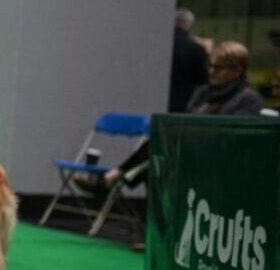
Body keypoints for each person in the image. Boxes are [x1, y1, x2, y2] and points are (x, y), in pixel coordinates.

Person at [78, 41, 265, 192]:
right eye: (210, 66)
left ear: (237, 71)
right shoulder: (202, 93)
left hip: (216, 158)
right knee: (157, 158)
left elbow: (233, 136)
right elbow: (187, 120)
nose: (211, 72)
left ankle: (113, 177)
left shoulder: (249, 99)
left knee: (159, 151)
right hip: (187, 151)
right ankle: (119, 181)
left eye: (219, 68)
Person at [169, 8, 208, 113]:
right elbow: (202, 79)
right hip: (184, 103)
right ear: (189, 25)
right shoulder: (196, 49)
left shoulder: (162, 45)